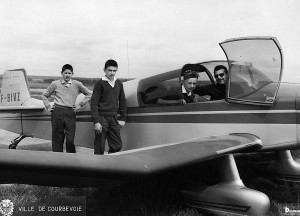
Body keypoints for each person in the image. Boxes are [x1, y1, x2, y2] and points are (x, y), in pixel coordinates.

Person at [41, 64, 92, 153]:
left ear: (72, 74)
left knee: (70, 139)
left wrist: (80, 105)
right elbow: (44, 95)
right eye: (65, 73)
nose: (67, 75)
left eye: (69, 73)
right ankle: (57, 160)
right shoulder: (55, 84)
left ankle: (71, 161)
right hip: (57, 112)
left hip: (70, 112)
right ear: (61, 73)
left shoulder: (77, 84)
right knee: (57, 138)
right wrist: (48, 107)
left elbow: (89, 94)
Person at [90, 59, 127, 155]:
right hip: (101, 117)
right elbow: (93, 103)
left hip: (113, 118)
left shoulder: (119, 83)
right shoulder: (100, 84)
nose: (112, 73)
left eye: (114, 70)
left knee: (117, 145)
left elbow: (122, 101)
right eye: (109, 70)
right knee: (100, 145)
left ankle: (109, 165)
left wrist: (123, 118)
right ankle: (98, 167)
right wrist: (96, 122)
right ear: (104, 70)